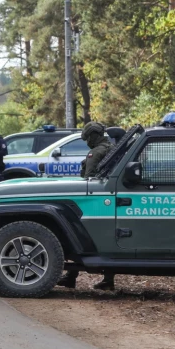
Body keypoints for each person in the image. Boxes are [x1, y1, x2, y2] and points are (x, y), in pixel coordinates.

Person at [57, 121, 116, 290]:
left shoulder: (96, 152)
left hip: (94, 200)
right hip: (107, 199)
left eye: (88, 138)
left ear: (94, 136)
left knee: (74, 233)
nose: (87, 142)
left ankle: (70, 276)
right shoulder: (112, 149)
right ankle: (107, 280)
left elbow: (88, 179)